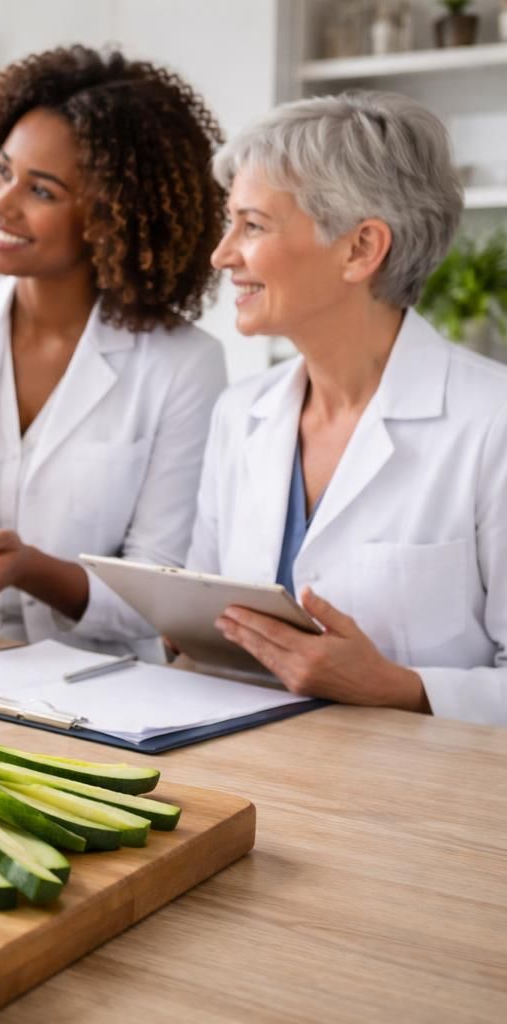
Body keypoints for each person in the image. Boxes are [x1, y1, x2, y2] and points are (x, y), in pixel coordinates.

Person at [0, 46, 228, 656]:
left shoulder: (182, 364)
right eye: (3, 170)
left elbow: (159, 586)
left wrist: (31, 570)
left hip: (88, 677)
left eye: (42, 190)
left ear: (112, 218)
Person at [191, 92, 506, 725]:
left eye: (252, 226)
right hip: (253, 776)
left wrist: (399, 687)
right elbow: (202, 627)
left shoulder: (492, 422)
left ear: (361, 248)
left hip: (426, 804)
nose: (222, 254)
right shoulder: (239, 413)